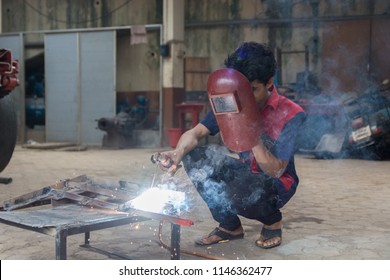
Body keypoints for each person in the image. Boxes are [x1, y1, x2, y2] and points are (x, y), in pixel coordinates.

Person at [156, 42, 306, 249]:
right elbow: (196, 132)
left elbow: (277, 170)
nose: (246, 98)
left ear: (269, 82)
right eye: (241, 90)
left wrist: (250, 130)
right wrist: (177, 152)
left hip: (277, 183)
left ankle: (272, 220)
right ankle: (229, 226)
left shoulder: (291, 114)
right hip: (247, 174)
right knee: (196, 157)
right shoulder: (232, 100)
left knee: (245, 189)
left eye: (252, 90)